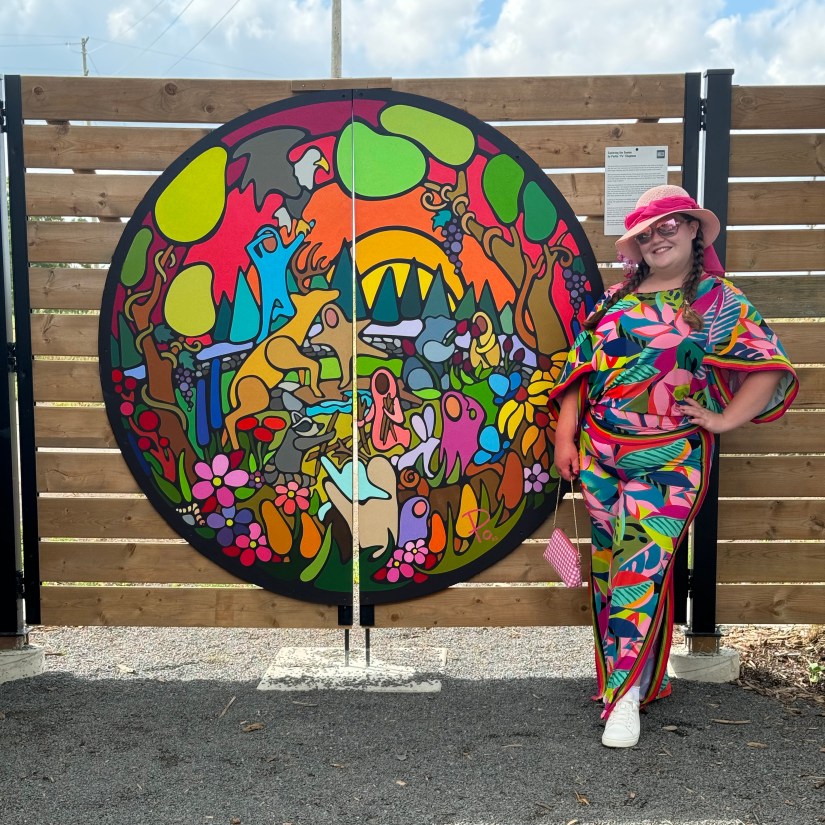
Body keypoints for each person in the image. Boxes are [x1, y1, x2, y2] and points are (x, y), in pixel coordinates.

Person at [548, 185, 798, 748]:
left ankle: (623, 699)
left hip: (671, 461)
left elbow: (768, 365)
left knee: (639, 569)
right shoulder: (614, 299)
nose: (657, 238)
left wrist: (723, 419)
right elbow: (580, 370)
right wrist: (566, 437)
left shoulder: (717, 300)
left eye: (668, 227)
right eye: (646, 233)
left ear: (692, 231)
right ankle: (637, 681)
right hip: (599, 455)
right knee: (611, 571)